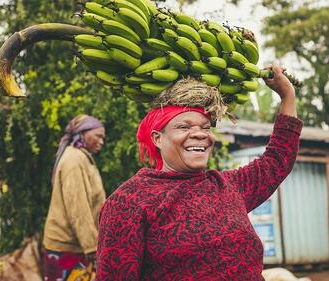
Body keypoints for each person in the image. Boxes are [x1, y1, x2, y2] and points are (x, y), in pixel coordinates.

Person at [96, 65, 303, 280]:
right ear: (157, 138)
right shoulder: (129, 202)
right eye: (184, 127)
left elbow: (278, 160)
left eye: (205, 127)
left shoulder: (227, 185)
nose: (200, 135)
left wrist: (287, 95)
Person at [43, 114, 106, 281]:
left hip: (75, 246)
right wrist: (92, 247)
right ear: (83, 133)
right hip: (68, 248)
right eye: (98, 136)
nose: (101, 142)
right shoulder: (74, 160)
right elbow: (78, 208)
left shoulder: (82, 158)